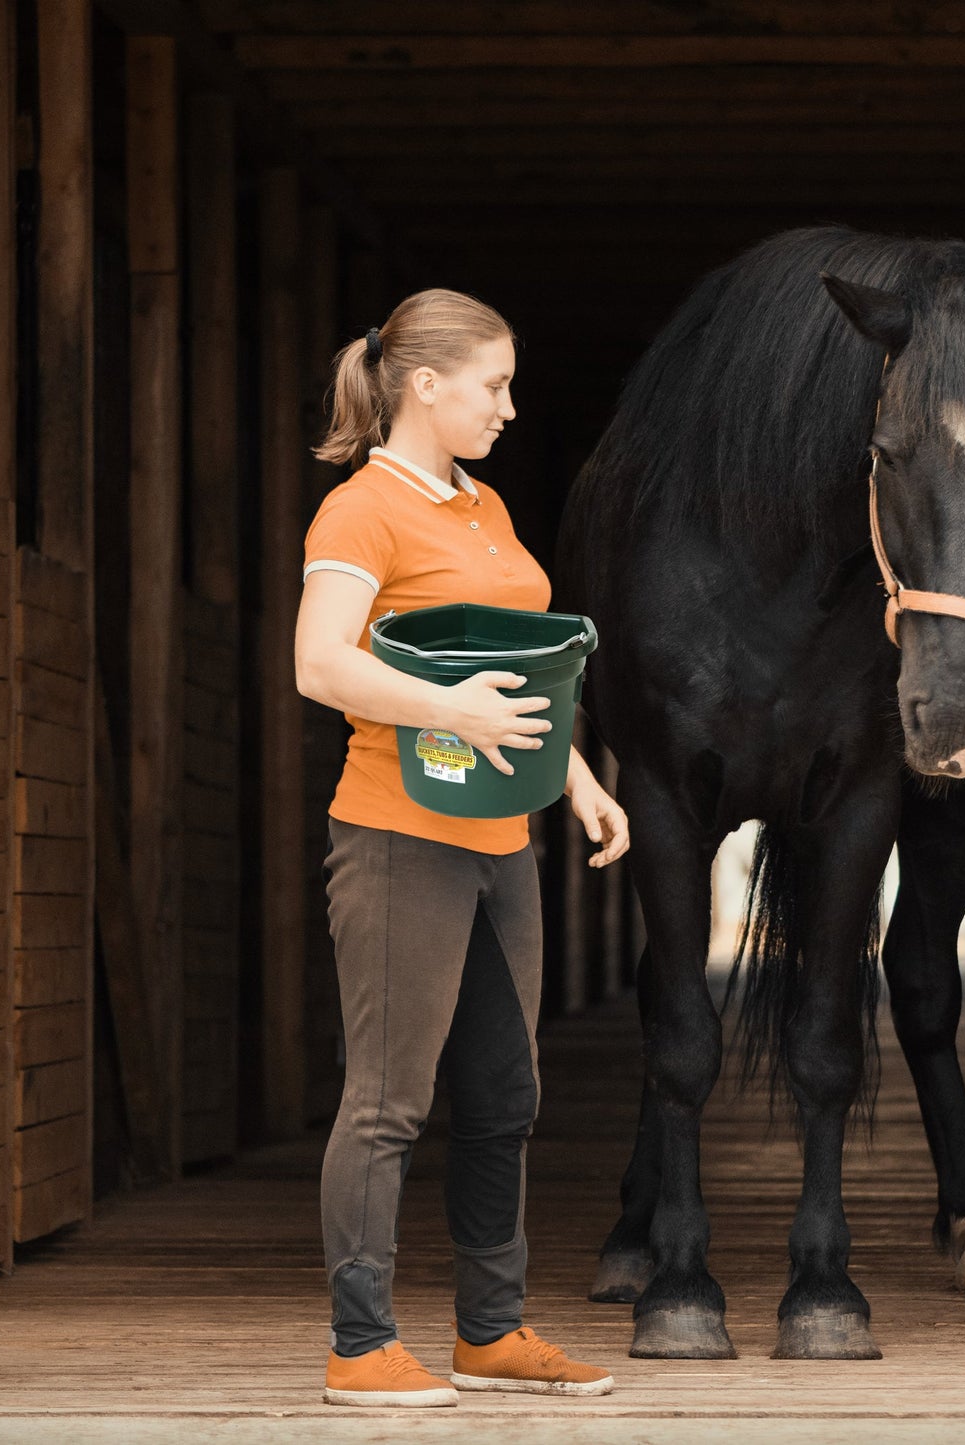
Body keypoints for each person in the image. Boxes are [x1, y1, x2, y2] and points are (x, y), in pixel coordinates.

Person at [295, 289, 629, 1408]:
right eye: (492, 384)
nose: (509, 405)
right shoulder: (359, 513)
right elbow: (320, 664)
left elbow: (524, 669)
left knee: (501, 1094)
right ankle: (360, 1345)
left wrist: (576, 777)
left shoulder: (481, 505)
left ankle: (490, 1331)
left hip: (500, 841)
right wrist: (449, 713)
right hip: (398, 836)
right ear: (424, 385)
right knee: (388, 1099)